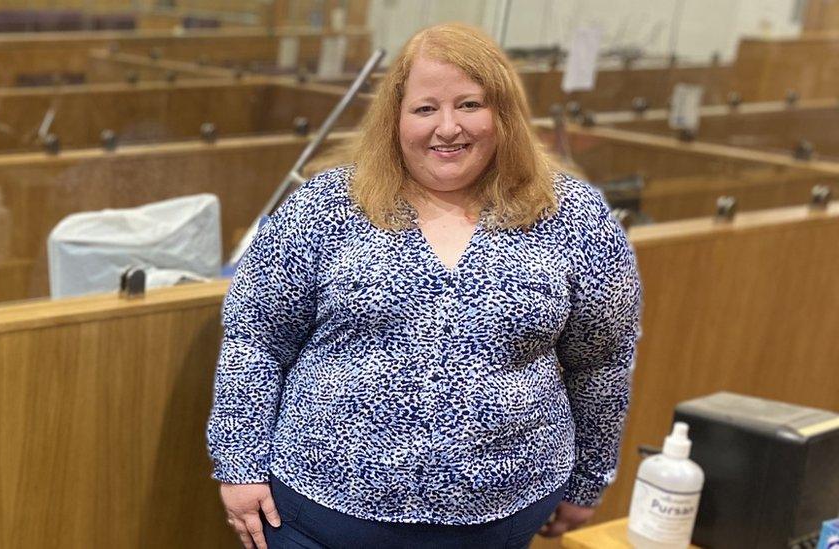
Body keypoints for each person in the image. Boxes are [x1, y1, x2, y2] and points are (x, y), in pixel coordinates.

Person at [207, 22, 642, 549]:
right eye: (425, 108)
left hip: (501, 518)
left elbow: (602, 360)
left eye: (470, 104)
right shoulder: (325, 206)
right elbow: (255, 336)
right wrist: (239, 461)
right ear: (395, 120)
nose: (448, 127)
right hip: (314, 518)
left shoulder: (574, 216)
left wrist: (589, 478)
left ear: (504, 114)